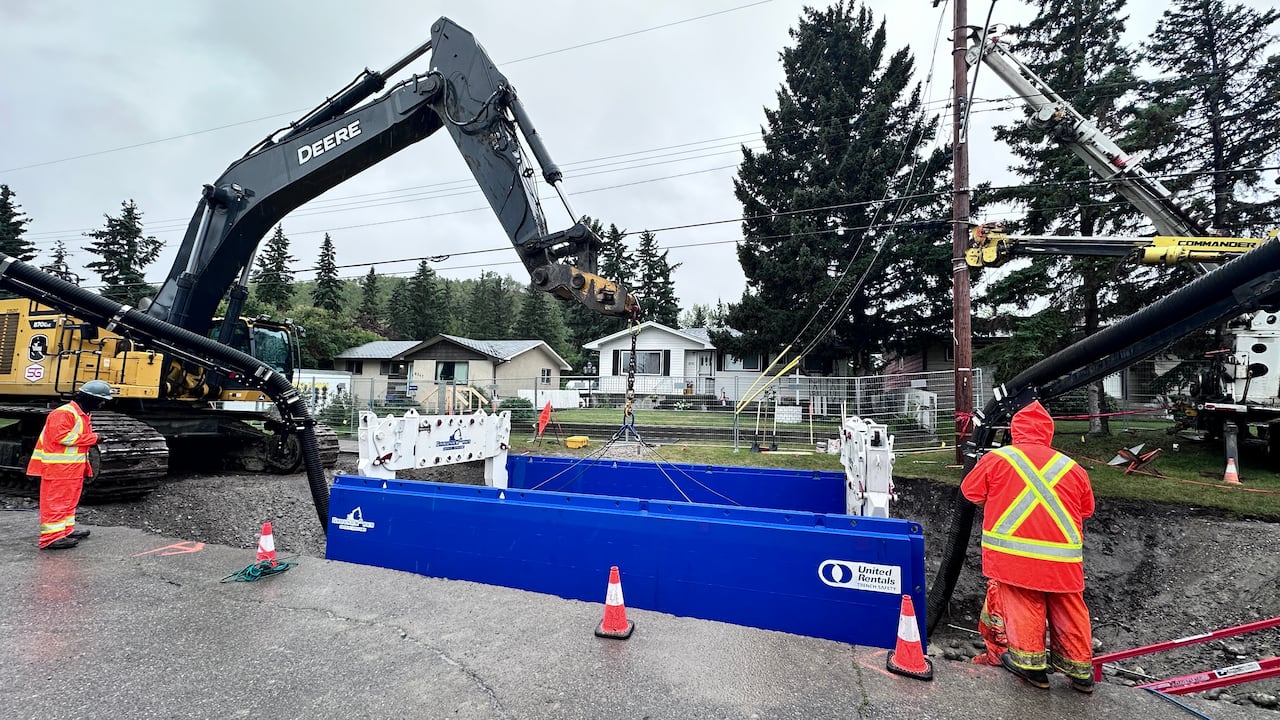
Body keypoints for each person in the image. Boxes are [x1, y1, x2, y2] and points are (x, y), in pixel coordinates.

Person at [960, 399, 1096, 693]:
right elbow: (1086, 510)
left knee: (1024, 606)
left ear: (1015, 431)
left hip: (1015, 559)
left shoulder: (998, 459)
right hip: (1064, 563)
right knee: (1069, 609)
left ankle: (1031, 667)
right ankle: (1081, 672)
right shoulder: (1072, 467)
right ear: (1049, 433)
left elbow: (970, 493)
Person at [28, 380, 112, 550]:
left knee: (69, 501)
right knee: (56, 502)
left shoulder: (82, 414)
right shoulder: (64, 413)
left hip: (71, 468)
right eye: (100, 399)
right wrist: (95, 438)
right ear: (88, 398)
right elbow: (61, 437)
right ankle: (50, 538)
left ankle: (65, 531)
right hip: (58, 469)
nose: (102, 403)